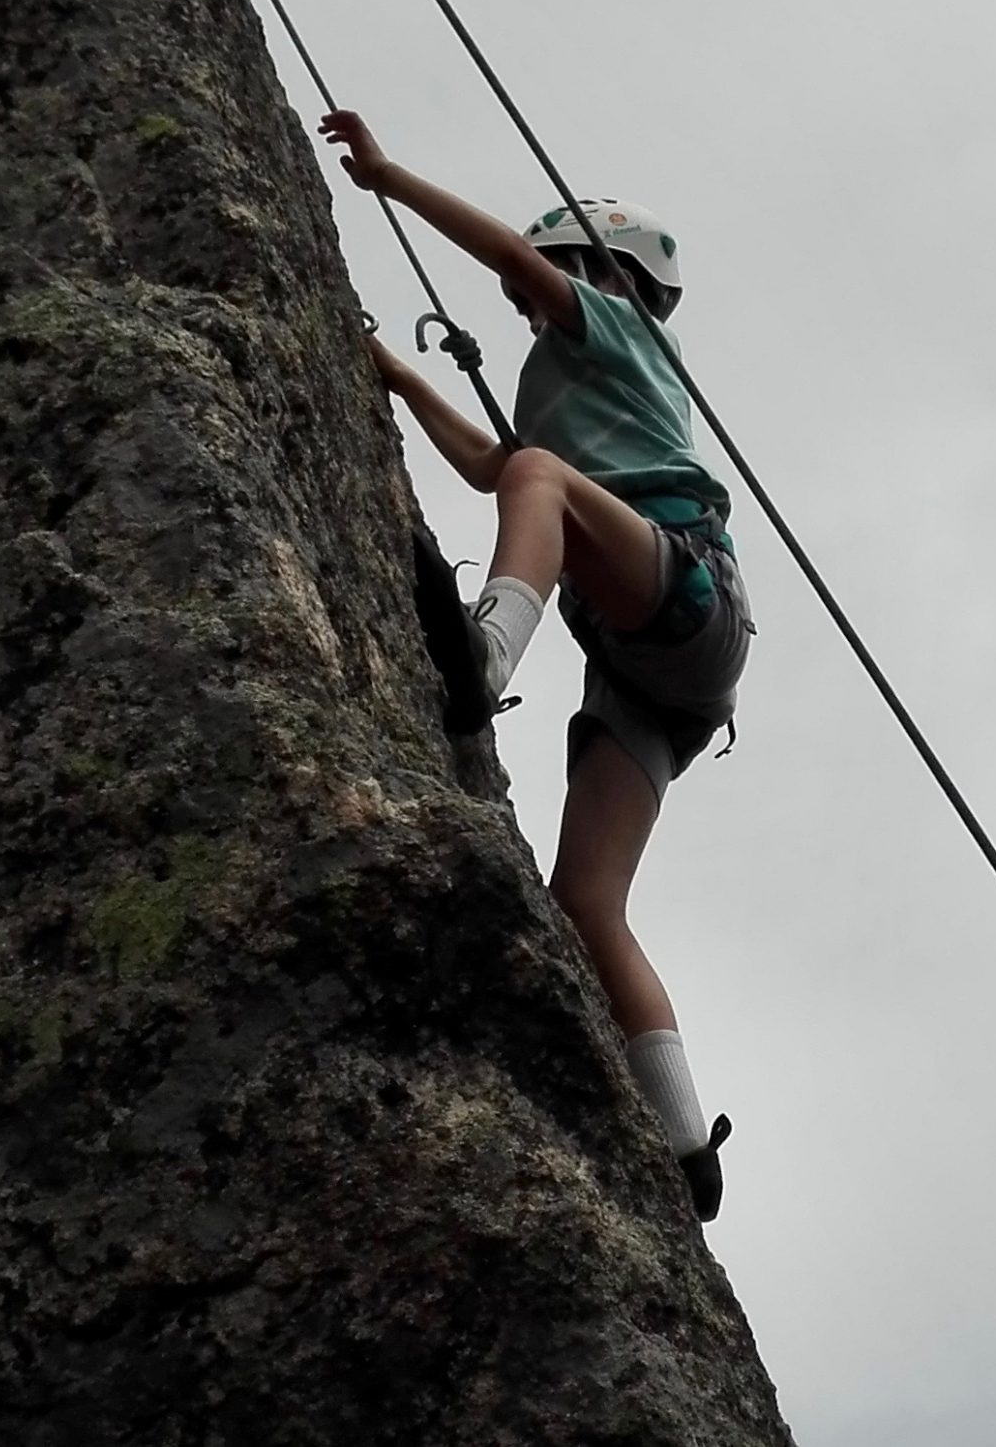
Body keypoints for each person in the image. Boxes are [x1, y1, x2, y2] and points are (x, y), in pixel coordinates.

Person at [320, 109, 751, 1222]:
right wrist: (400, 381)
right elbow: (495, 469)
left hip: (680, 590)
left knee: (546, 475)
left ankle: (484, 649)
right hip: (656, 670)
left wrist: (387, 177)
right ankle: (684, 1142)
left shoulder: (612, 330)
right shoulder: (575, 390)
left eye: (559, 273)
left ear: (609, 277)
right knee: (584, 900)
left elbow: (510, 275)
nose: (531, 292)